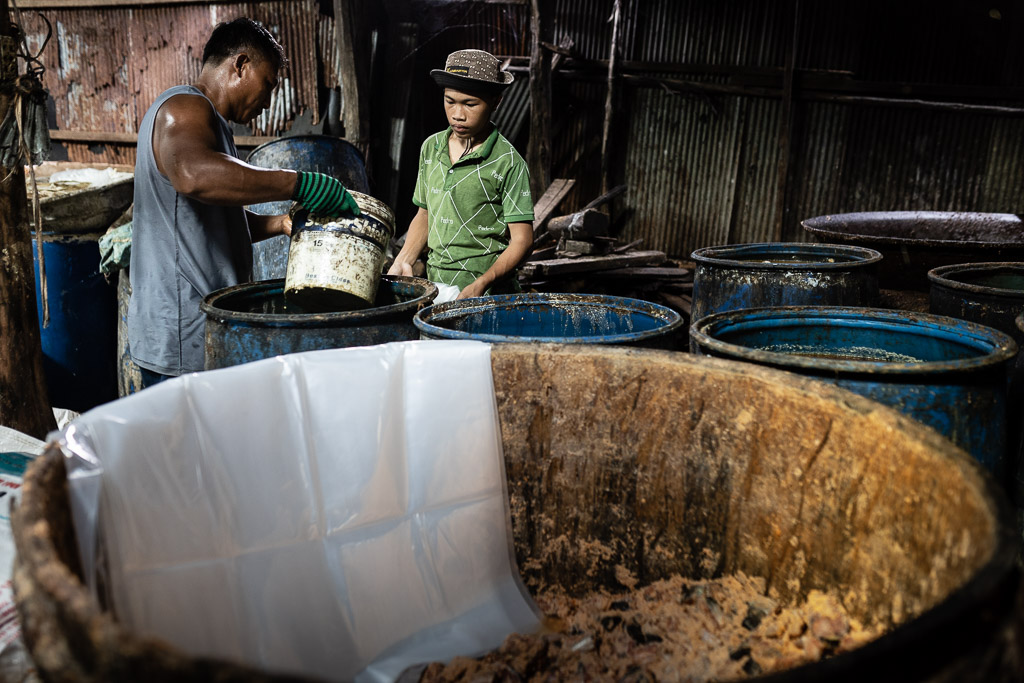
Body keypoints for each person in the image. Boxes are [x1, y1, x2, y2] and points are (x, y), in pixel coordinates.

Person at [128, 18, 359, 387]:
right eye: (267, 86)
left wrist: (280, 223)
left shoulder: (214, 126)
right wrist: (299, 183)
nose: (267, 104)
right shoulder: (184, 108)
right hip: (183, 336)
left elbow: (215, 223)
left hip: (208, 330)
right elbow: (193, 175)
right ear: (240, 64)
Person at [388, 49, 534, 299]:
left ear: (496, 102)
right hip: (437, 289)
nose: (457, 114)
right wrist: (404, 259)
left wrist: (483, 283)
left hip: (486, 295)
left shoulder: (508, 162)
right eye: (449, 100)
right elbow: (425, 214)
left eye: (470, 104)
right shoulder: (431, 148)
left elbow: (522, 240)